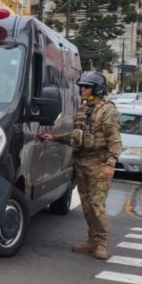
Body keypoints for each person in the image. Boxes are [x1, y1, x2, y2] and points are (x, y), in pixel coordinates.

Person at [43, 71, 122, 260]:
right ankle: (91, 241)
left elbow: (115, 140)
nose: (82, 90)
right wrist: (54, 138)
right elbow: (76, 136)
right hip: (81, 163)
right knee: (86, 205)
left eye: (86, 87)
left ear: (97, 89)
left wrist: (110, 164)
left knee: (96, 205)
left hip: (98, 164)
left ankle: (101, 243)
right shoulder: (83, 110)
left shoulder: (107, 110)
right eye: (81, 87)